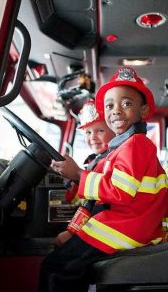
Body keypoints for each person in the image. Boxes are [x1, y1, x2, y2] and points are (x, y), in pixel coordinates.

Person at [38, 67, 168, 292]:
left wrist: (77, 174)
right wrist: (73, 178)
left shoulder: (136, 145)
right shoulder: (121, 149)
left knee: (56, 268)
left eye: (126, 104)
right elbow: (94, 191)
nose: (116, 111)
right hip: (126, 226)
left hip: (124, 228)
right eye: (110, 106)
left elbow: (119, 191)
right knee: (67, 263)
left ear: (143, 111)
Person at [55, 99, 115, 245]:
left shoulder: (111, 161)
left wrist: (72, 232)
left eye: (100, 130)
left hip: (105, 226)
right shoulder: (94, 161)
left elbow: (91, 204)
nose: (92, 137)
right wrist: (72, 181)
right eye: (88, 132)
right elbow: (82, 199)